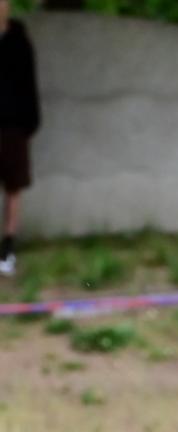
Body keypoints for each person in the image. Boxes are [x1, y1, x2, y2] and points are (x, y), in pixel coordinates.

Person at [0, 0, 40, 277]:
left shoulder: (19, 40)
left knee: (14, 187)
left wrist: (30, 123)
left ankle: (8, 247)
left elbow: (29, 82)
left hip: (13, 127)